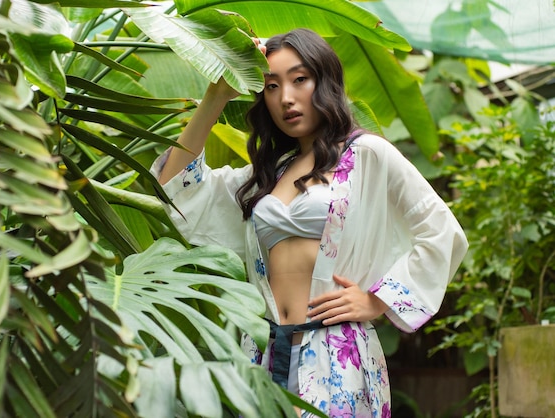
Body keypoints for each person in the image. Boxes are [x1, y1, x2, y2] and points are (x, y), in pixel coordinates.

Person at [151, 28, 468, 417]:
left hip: (337, 356)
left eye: (300, 79)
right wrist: (217, 95)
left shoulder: (367, 154)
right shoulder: (266, 176)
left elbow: (441, 231)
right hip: (263, 358)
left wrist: (376, 299)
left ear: (325, 81)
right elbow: (176, 187)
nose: (286, 98)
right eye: (271, 86)